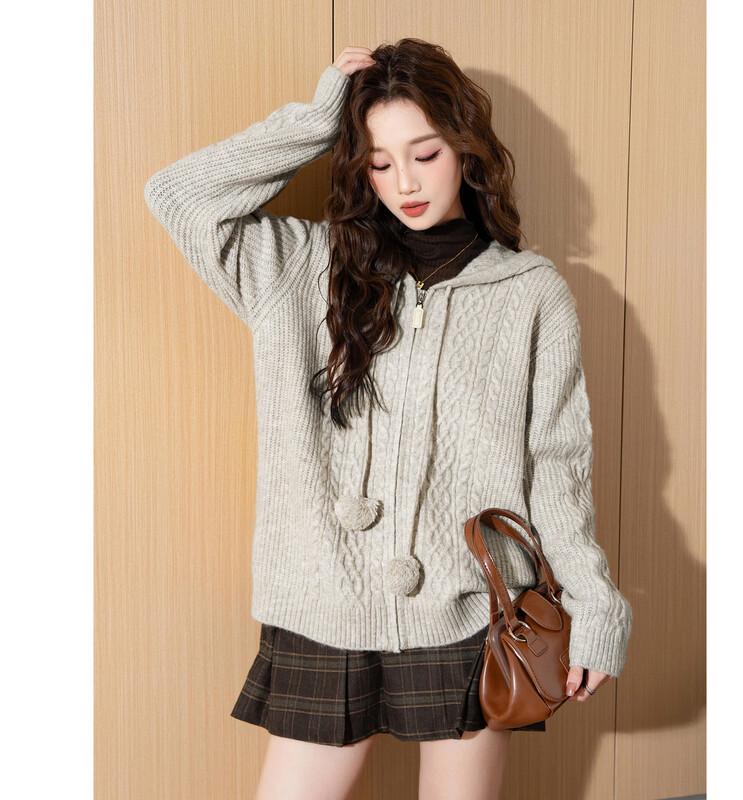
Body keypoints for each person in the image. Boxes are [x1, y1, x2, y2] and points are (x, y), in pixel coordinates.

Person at [144, 37, 633, 800]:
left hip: (470, 607)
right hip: (322, 601)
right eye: (378, 162)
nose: (404, 181)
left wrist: (595, 605)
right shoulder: (299, 267)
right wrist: (315, 122)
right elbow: (178, 196)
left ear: (465, 147)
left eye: (425, 153)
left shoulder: (530, 294)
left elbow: (556, 465)